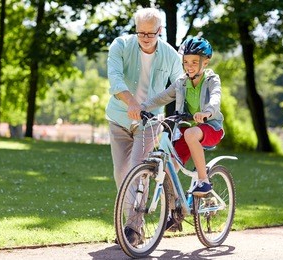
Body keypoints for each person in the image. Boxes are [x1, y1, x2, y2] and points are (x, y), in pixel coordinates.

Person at [106, 7, 183, 245]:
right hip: (119, 117)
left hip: (149, 122)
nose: (146, 38)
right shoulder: (120, 46)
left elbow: (181, 83)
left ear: (160, 31)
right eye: (141, 33)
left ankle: (133, 230)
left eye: (151, 34)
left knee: (138, 171)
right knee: (121, 174)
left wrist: (183, 115)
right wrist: (131, 102)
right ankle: (133, 223)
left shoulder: (169, 55)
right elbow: (115, 77)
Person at [141, 36, 224, 196]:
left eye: (194, 62)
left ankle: (204, 181)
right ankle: (173, 213)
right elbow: (163, 96)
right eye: (186, 62)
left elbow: (215, 98)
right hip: (188, 132)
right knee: (169, 168)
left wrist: (206, 112)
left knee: (190, 133)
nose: (189, 66)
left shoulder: (212, 80)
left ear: (205, 62)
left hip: (211, 128)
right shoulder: (182, 82)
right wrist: (143, 106)